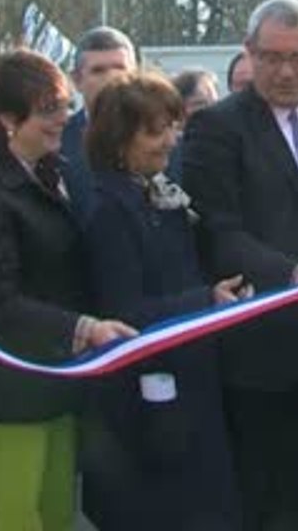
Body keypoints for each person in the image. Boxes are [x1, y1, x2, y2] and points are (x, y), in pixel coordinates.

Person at [0, 51, 136, 531]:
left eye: (64, 106)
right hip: (0, 397)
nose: (63, 120)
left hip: (50, 387)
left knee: (54, 517)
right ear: (8, 118)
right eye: (49, 110)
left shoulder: (47, 172)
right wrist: (84, 328)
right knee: (13, 520)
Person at [182, 0, 298, 531]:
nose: (284, 71)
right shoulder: (217, 127)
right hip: (258, 344)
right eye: (271, 56)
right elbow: (217, 233)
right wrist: (291, 275)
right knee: (257, 496)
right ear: (248, 54)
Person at [82, 74, 243, 530]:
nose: (171, 141)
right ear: (120, 140)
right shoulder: (108, 211)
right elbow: (123, 310)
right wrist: (206, 299)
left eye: (173, 126)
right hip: (150, 395)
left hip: (190, 379)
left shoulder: (157, 194)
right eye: (156, 131)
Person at [60, 26, 136, 220]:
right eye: (98, 70)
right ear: (76, 80)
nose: (111, 78)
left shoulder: (168, 143)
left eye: (120, 68)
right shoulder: (56, 143)